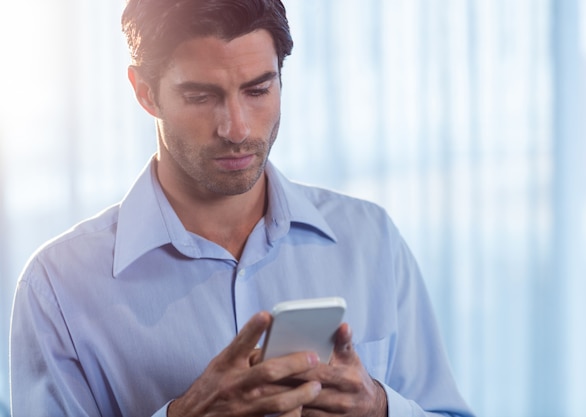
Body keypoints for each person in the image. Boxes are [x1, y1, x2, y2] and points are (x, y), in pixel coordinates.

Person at [9, 1, 475, 416]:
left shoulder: (371, 239)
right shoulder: (57, 288)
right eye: (201, 96)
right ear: (145, 91)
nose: (236, 128)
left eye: (258, 90)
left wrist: (380, 408)